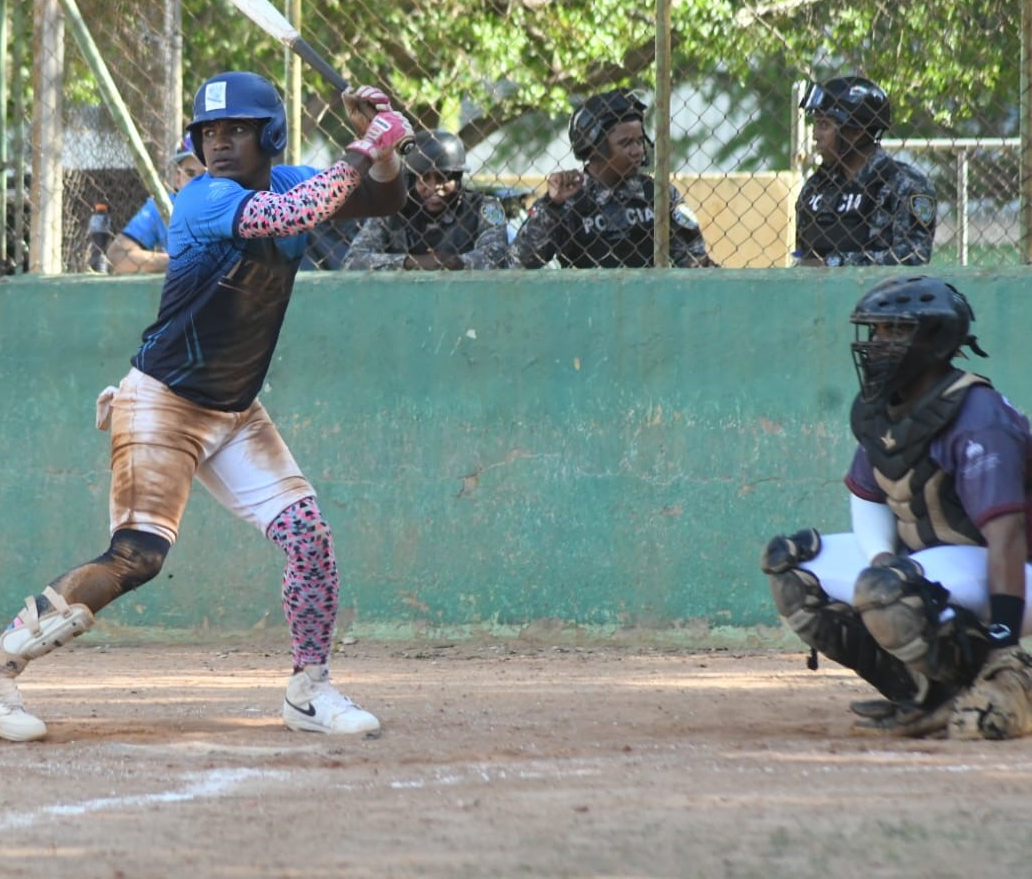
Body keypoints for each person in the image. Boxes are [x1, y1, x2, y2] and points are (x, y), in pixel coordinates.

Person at [0, 71, 411, 742]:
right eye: (209, 132)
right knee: (136, 558)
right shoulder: (203, 198)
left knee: (309, 539)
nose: (218, 143)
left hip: (235, 409)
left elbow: (383, 199)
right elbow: (296, 215)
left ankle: (309, 691)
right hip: (163, 403)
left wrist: (385, 149)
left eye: (236, 130)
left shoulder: (288, 181)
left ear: (270, 137)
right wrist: (363, 145)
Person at [761, 276, 1032, 740]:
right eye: (877, 330)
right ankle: (921, 693)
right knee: (793, 570)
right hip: (938, 566)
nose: (878, 343)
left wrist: (1002, 639)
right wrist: (882, 559)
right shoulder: (885, 409)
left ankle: (990, 681)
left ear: (936, 340)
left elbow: (1007, 535)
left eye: (896, 331)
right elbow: (868, 498)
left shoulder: (977, 416)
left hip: (1015, 574)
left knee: (888, 590)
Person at [510, 89, 714, 269]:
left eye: (639, 141)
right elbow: (520, 262)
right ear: (596, 149)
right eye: (626, 143)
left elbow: (692, 258)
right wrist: (552, 205)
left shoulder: (657, 194)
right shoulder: (570, 200)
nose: (637, 151)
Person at [794, 76, 936, 267]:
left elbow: (913, 258)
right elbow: (802, 255)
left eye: (824, 125)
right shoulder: (816, 186)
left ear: (856, 131)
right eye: (816, 124)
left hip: (882, 287)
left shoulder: (906, 185)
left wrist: (833, 264)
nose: (815, 135)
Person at [342, 129, 510, 270]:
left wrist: (456, 263)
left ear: (457, 178)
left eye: (443, 177)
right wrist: (411, 262)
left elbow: (497, 256)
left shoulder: (484, 207)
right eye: (423, 178)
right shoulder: (393, 209)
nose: (433, 187)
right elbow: (353, 260)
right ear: (412, 179)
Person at [106, 140, 203, 274]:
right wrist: (178, 262)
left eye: (207, 174)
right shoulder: (162, 204)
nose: (198, 182)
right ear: (178, 179)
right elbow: (118, 256)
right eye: (190, 174)